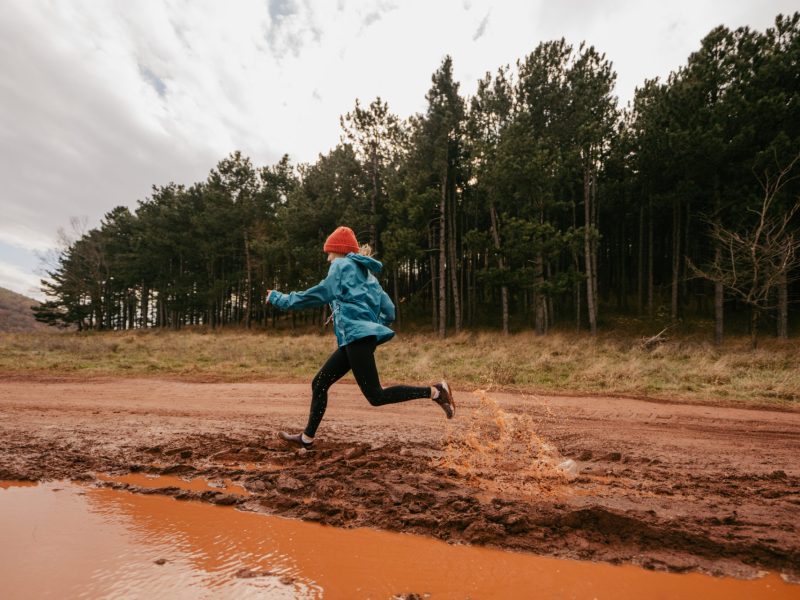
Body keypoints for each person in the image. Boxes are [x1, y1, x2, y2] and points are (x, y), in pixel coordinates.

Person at [266, 226, 455, 450]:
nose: (328, 258)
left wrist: (280, 299)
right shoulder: (369, 277)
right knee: (320, 383)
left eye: (329, 252)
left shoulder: (340, 265)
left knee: (376, 396)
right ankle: (306, 439)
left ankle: (436, 392)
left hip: (356, 338)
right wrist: (371, 327)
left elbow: (321, 293)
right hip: (356, 339)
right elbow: (389, 310)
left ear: (339, 250)